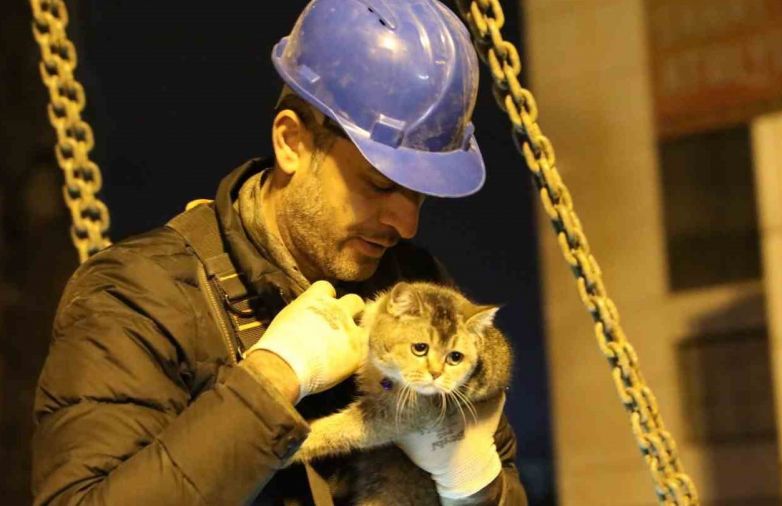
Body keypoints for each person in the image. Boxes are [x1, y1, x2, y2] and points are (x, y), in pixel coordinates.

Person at [31, 0, 527, 504]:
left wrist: (475, 483)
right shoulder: (139, 296)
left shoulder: (412, 282)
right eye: (379, 186)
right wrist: (270, 379)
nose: (407, 223)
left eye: (419, 196)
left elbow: (499, 475)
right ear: (292, 143)